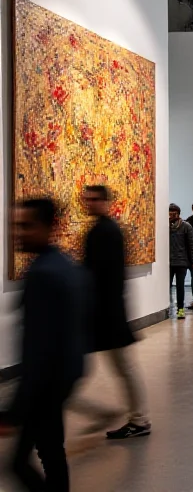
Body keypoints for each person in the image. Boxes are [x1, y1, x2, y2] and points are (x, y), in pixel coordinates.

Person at [0, 199, 86, 491]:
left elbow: (38, 350)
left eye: (25, 226)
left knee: (21, 462)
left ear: (48, 227)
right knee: (50, 452)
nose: (18, 233)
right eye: (15, 226)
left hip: (45, 383)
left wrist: (15, 410)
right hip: (61, 377)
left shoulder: (43, 274)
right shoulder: (63, 264)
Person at [82, 185, 151, 439]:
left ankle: (137, 419)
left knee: (122, 367)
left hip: (107, 314)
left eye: (93, 199)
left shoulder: (106, 231)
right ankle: (131, 417)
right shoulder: (102, 230)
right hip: (105, 312)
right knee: (121, 367)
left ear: (105, 201)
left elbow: (107, 276)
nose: (88, 203)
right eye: (86, 199)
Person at [169, 204, 193, 319]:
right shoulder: (164, 226)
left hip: (181, 262)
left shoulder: (186, 226)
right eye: (170, 213)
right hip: (168, 263)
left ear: (178, 214)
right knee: (167, 286)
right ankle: (166, 308)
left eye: (173, 213)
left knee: (180, 286)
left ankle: (180, 309)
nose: (171, 216)